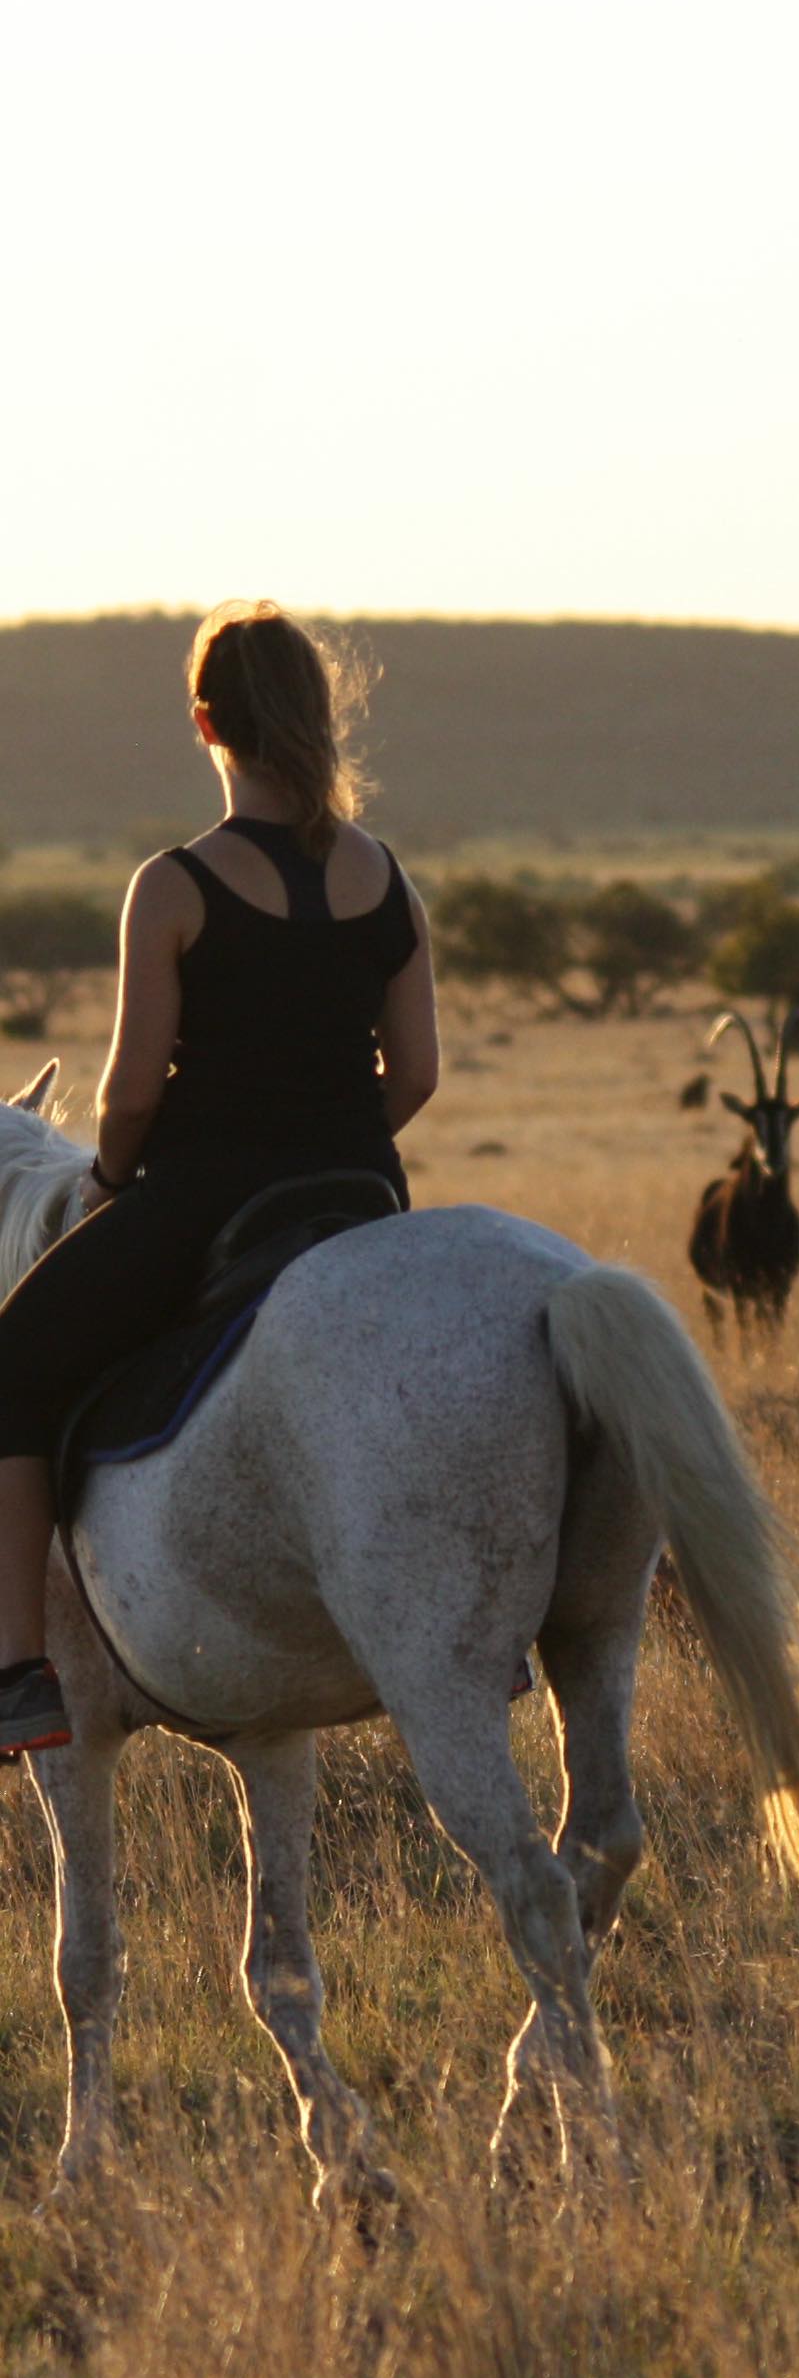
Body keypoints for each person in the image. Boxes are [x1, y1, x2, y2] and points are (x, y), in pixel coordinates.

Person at [0, 601, 439, 1758]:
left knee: (10, 1364)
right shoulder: (384, 877)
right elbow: (421, 1071)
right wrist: (338, 1146)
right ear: (318, 715)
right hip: (362, 1194)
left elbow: (133, 1089)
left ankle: (18, 1677)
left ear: (205, 722)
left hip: (205, 1196)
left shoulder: (176, 883)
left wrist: (106, 1180)